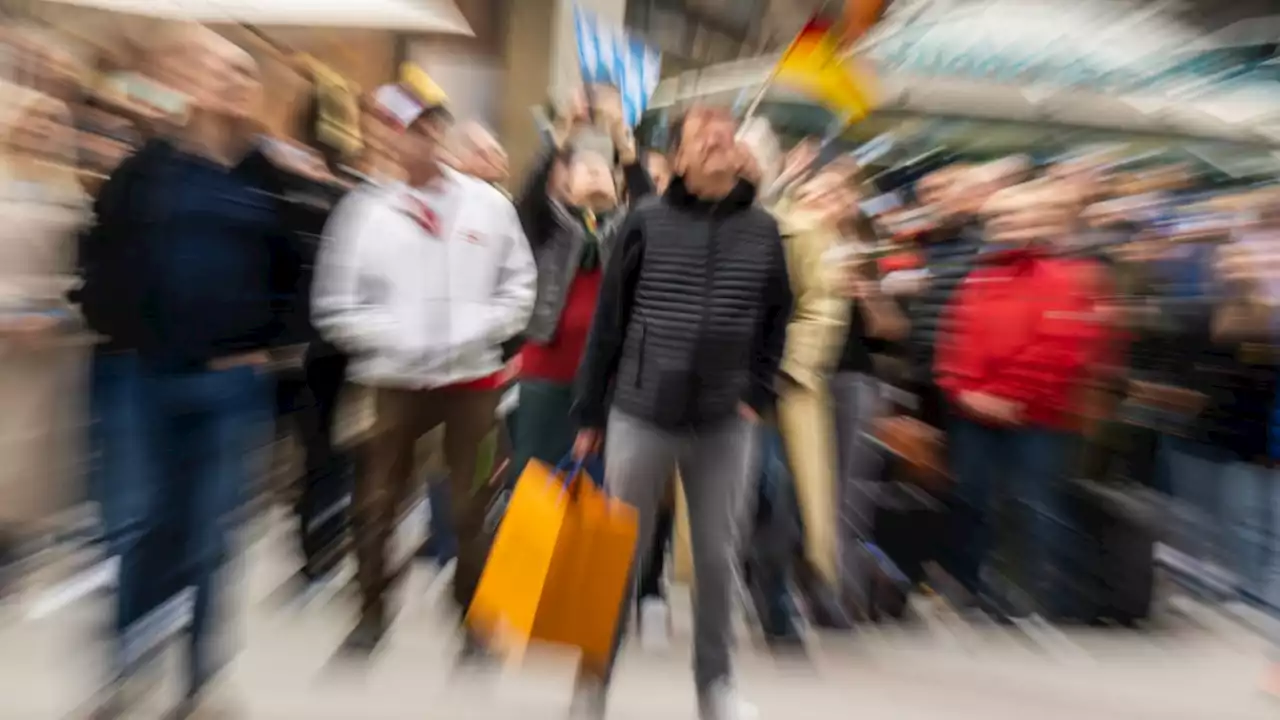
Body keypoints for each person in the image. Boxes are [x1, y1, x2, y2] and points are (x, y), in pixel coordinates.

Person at [78, 26, 296, 718]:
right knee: (143, 526)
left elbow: (296, 275)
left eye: (236, 71)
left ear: (251, 91)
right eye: (208, 67)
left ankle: (200, 683)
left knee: (211, 536)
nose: (222, 80)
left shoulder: (269, 178)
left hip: (229, 387)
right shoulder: (143, 170)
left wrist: (267, 343)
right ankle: (127, 665)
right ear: (185, 82)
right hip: (143, 379)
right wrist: (114, 333)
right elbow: (98, 255)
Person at [570, 103, 793, 720]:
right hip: (640, 413)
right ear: (682, 157)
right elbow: (608, 322)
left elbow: (779, 319)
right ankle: (592, 685)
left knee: (720, 559)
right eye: (706, 135)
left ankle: (715, 687)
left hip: (724, 420)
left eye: (728, 134)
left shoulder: (764, 230)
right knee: (620, 555)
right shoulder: (644, 221)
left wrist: (756, 394)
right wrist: (589, 413)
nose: (722, 141)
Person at [312, 83, 537, 656]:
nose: (415, 140)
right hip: (391, 385)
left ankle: (471, 613)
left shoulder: (489, 206)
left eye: (426, 128)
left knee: (474, 502)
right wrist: (397, 338)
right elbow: (334, 306)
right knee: (377, 503)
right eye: (401, 129)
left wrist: (478, 329)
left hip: (475, 388)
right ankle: (370, 614)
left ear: (441, 132)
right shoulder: (363, 213)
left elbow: (520, 286)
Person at [935, 182, 1108, 621]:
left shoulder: (1067, 277)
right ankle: (972, 587)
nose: (1013, 226)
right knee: (972, 499)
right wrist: (963, 390)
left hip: (1038, 418)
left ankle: (1038, 597)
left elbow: (1061, 346)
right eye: (1004, 219)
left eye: (1022, 217)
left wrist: (1008, 396)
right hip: (974, 412)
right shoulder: (979, 277)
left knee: (1033, 504)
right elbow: (956, 341)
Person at [0, 82, 87, 592]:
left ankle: (13, 542)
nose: (41, 129)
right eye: (35, 119)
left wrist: (55, 313)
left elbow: (79, 269)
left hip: (44, 342)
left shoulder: (69, 190)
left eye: (53, 123)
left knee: (28, 451)